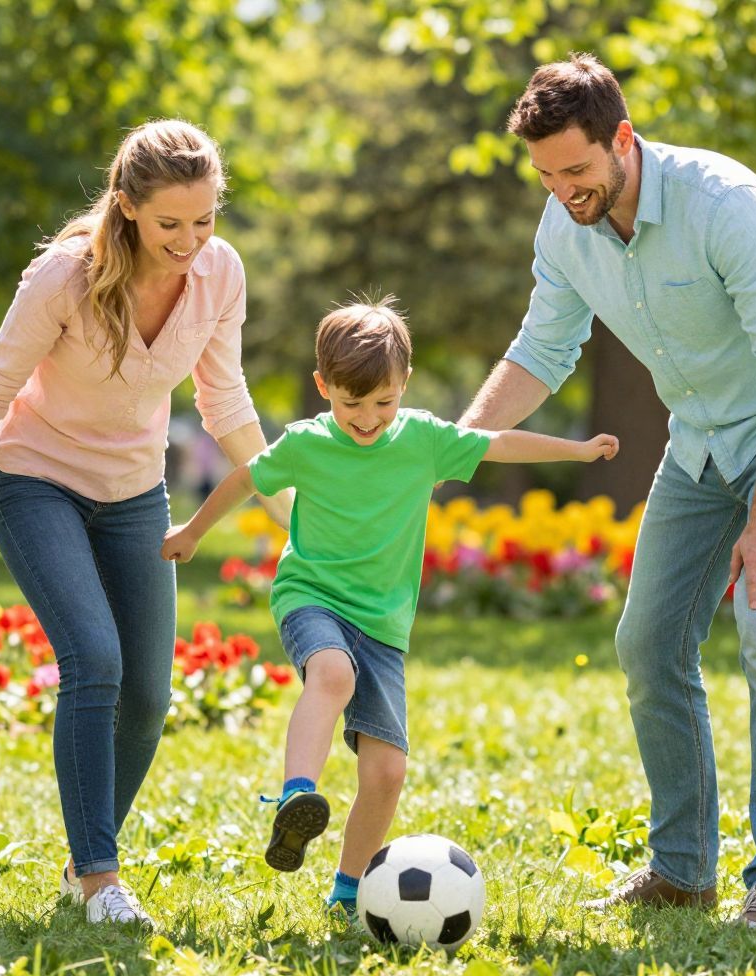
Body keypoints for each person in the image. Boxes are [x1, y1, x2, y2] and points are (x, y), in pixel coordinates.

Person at [459, 54, 756, 928]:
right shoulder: (564, 226)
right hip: (702, 441)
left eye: (576, 169)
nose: (563, 190)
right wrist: (459, 443)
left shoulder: (725, 204)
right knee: (647, 644)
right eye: (544, 174)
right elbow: (541, 351)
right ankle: (683, 870)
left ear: (623, 140)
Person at [0, 120, 289, 929]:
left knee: (150, 695)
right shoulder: (64, 278)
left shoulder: (220, 275)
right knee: (94, 658)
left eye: (204, 221)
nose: (189, 241)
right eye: (169, 225)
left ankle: (87, 858)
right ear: (125, 207)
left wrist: (286, 510)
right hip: (36, 481)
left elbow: (223, 400)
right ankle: (98, 879)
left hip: (133, 492)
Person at [161, 297, 619, 913]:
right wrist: (192, 531)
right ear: (323, 386)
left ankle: (347, 893)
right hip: (313, 595)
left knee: (386, 774)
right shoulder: (305, 442)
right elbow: (246, 478)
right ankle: (297, 796)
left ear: (405, 383)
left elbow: (499, 444)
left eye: (383, 401)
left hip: (383, 622)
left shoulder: (424, 438)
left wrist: (579, 450)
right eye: (351, 403)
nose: (368, 418)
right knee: (331, 672)